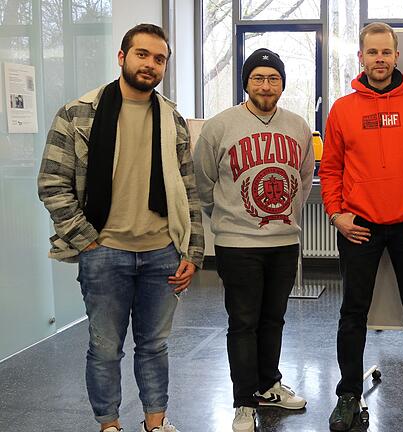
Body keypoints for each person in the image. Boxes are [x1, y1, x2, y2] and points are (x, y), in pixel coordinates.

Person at [37, 23, 204, 432]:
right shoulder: (78, 114)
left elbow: (187, 189)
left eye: (159, 58)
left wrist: (192, 251)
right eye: (142, 54)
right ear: (122, 57)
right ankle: (109, 425)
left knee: (154, 346)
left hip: (161, 250)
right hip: (103, 251)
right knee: (105, 348)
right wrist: (86, 239)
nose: (150, 64)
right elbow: (52, 182)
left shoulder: (173, 119)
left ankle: (156, 422)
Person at [319, 22, 403, 431]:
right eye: (372, 52)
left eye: (386, 52)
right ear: (361, 57)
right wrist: (336, 214)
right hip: (359, 226)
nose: (379, 59)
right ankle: (347, 395)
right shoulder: (343, 108)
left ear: (397, 56)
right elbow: (330, 169)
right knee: (352, 313)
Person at [193, 48, 314, 432]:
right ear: (246, 82)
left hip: (283, 240)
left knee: (273, 319)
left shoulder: (297, 125)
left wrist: (284, 216)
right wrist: (228, 217)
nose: (266, 85)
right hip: (238, 243)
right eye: (258, 77)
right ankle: (244, 401)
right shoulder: (220, 125)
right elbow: (203, 181)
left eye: (273, 78)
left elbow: (304, 179)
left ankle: (268, 385)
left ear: (282, 84)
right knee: (243, 322)